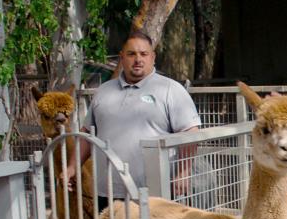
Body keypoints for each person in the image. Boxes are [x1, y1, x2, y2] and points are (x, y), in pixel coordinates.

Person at [79, 31, 201, 209]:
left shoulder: (170, 90)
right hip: (107, 193)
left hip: (155, 194)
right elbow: (87, 134)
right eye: (131, 54)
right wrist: (73, 167)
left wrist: (183, 172)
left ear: (153, 57)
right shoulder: (103, 91)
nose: (138, 59)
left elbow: (190, 133)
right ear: (122, 57)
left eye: (144, 54)